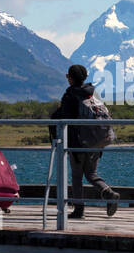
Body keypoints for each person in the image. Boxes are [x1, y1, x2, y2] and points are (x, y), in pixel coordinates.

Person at [49, 64, 120, 219]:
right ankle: (109, 193)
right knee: (91, 173)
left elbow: (64, 118)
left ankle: (79, 209)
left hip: (78, 142)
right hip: (97, 141)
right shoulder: (93, 93)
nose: (67, 78)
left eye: (68, 76)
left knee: (76, 176)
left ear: (71, 78)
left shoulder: (70, 94)